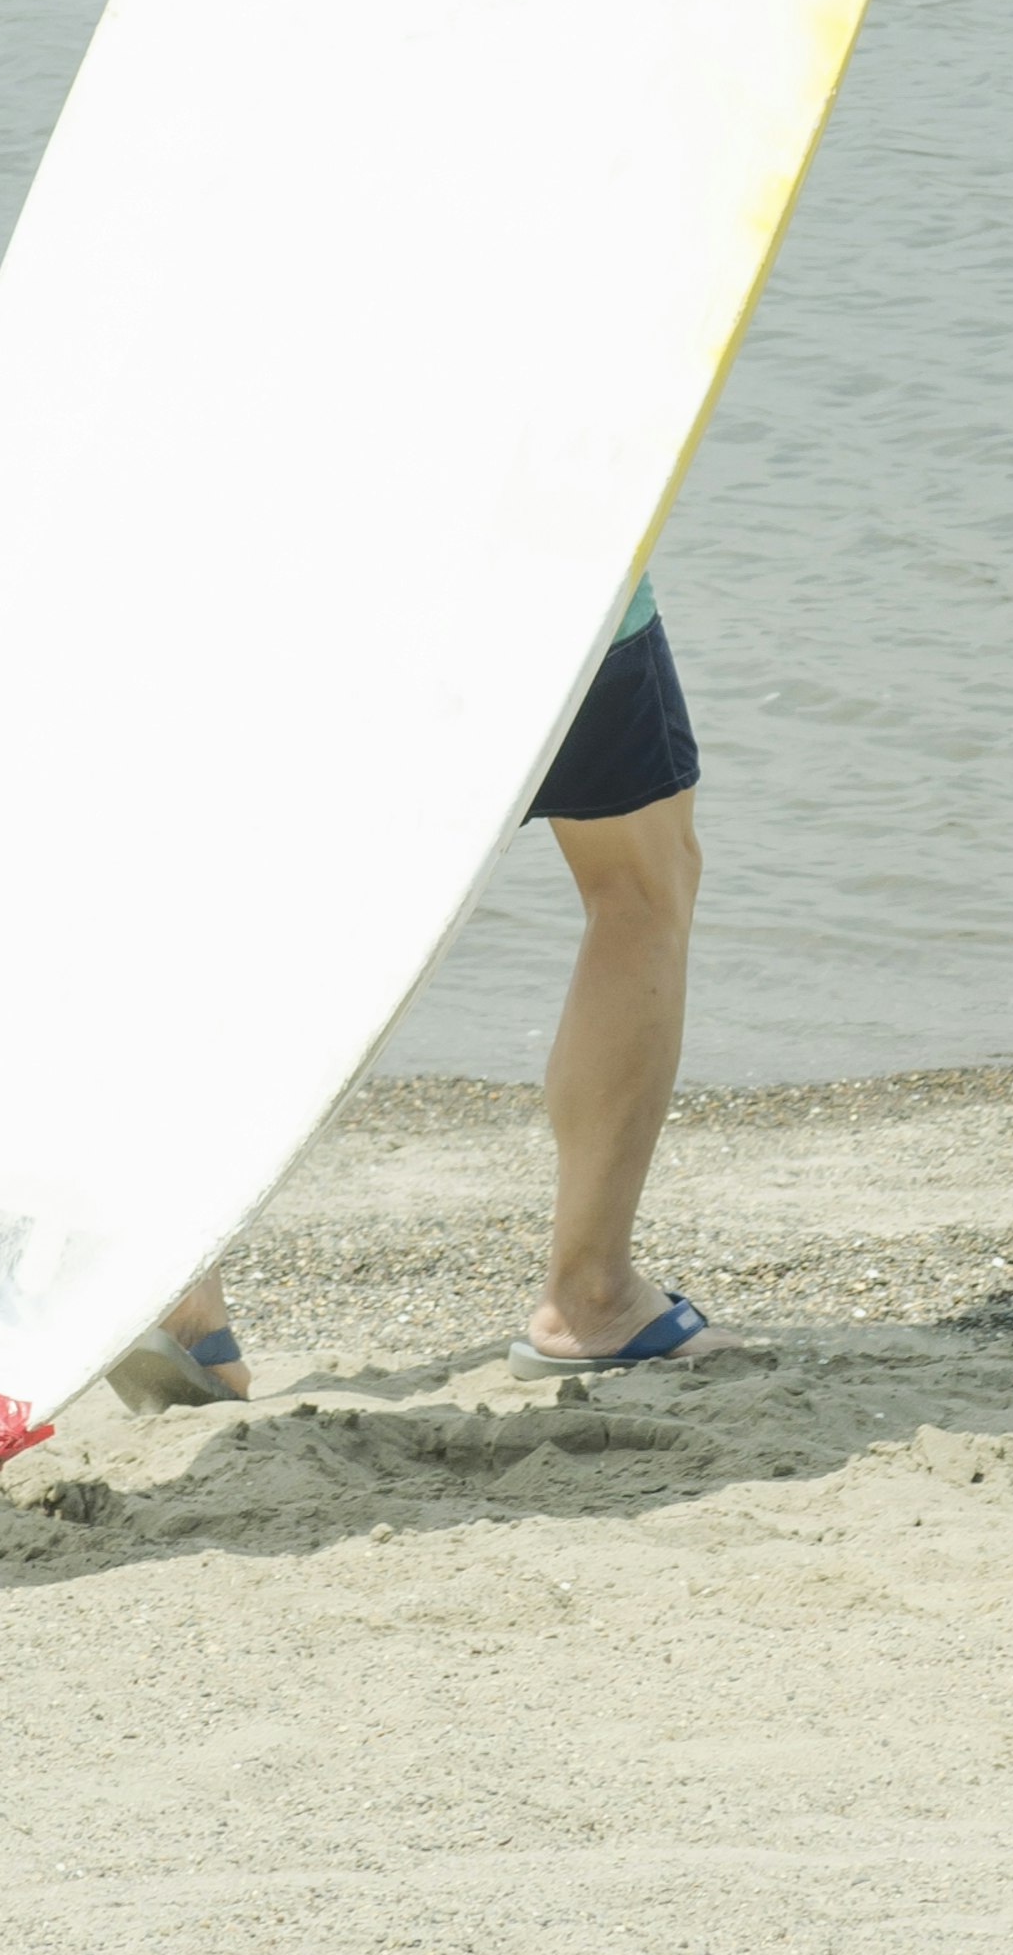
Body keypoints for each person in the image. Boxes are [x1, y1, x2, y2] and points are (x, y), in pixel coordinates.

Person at [139, 577, 760, 1400]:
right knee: (642, 886)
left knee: (279, 898)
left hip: (319, 581)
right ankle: (593, 1295)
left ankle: (184, 1289)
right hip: (541, 572)